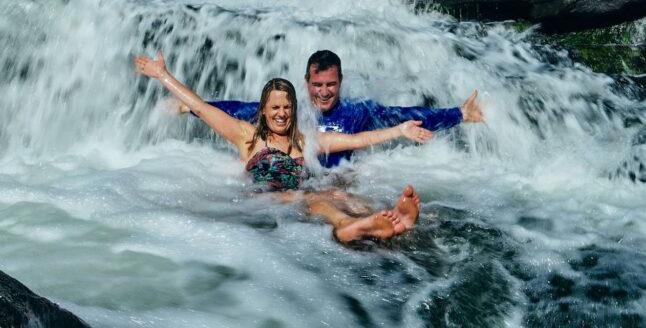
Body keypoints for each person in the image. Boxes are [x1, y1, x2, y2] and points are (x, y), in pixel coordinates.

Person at [135, 51, 431, 244]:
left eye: (287, 107)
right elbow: (200, 106)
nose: (281, 114)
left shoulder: (306, 141)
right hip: (260, 202)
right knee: (312, 197)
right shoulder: (246, 136)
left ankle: (390, 219)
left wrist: (400, 130)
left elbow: (359, 140)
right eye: (275, 108)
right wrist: (162, 75)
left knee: (340, 194)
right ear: (263, 111)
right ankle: (344, 227)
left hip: (294, 203)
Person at [208, 50, 484, 167]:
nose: (324, 92)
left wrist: (459, 114)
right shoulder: (289, 111)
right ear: (306, 83)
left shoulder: (358, 111)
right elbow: (239, 111)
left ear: (340, 82)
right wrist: (195, 108)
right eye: (317, 85)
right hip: (297, 184)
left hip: (339, 183)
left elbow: (404, 115)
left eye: (331, 84)